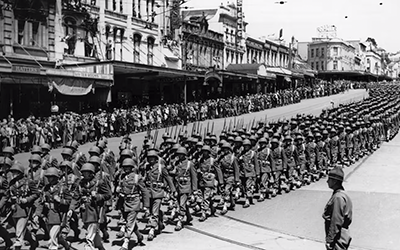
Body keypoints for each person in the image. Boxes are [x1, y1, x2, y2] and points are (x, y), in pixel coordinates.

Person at [323, 167, 353, 250]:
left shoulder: (338, 197)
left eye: (330, 179)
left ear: (335, 181)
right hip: (340, 235)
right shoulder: (341, 194)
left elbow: (336, 220)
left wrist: (330, 240)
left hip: (338, 237)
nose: (327, 181)